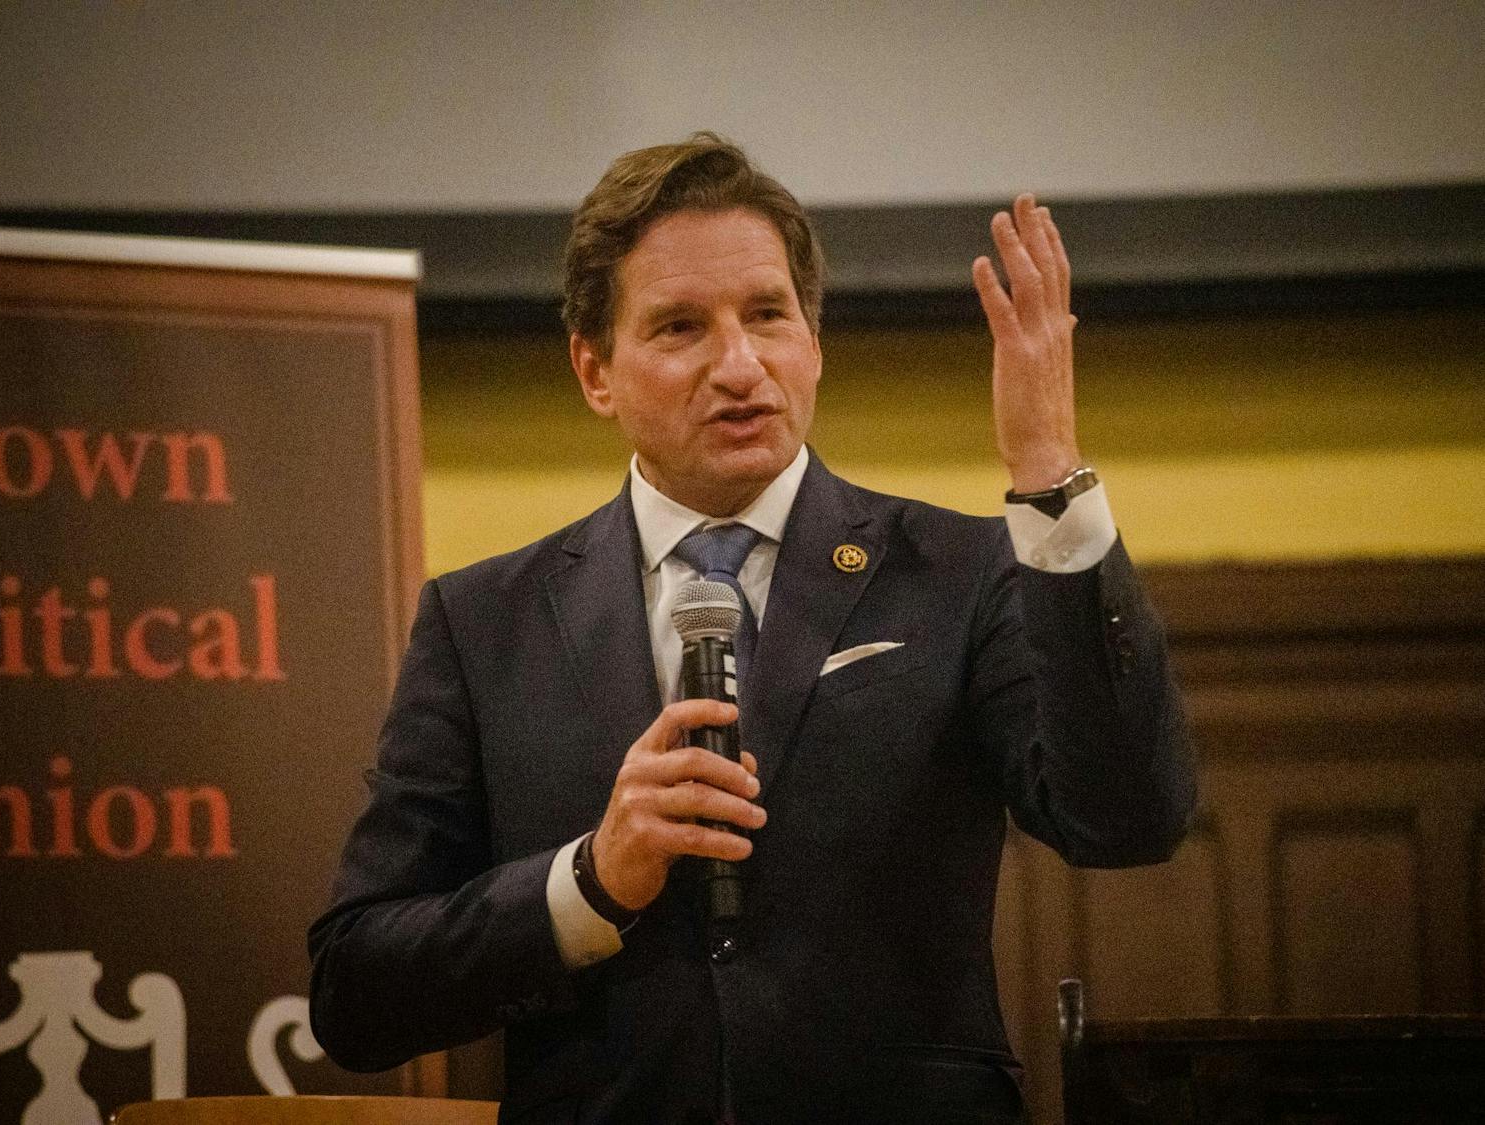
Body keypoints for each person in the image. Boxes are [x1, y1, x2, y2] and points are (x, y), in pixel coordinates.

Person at [309, 133, 1195, 1124]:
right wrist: (590, 884)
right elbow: (356, 990)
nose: (740, 365)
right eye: (682, 326)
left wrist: (1049, 472)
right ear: (595, 370)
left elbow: (1130, 819)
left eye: (768, 315)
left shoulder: (958, 573)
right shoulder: (484, 624)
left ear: (812, 342)